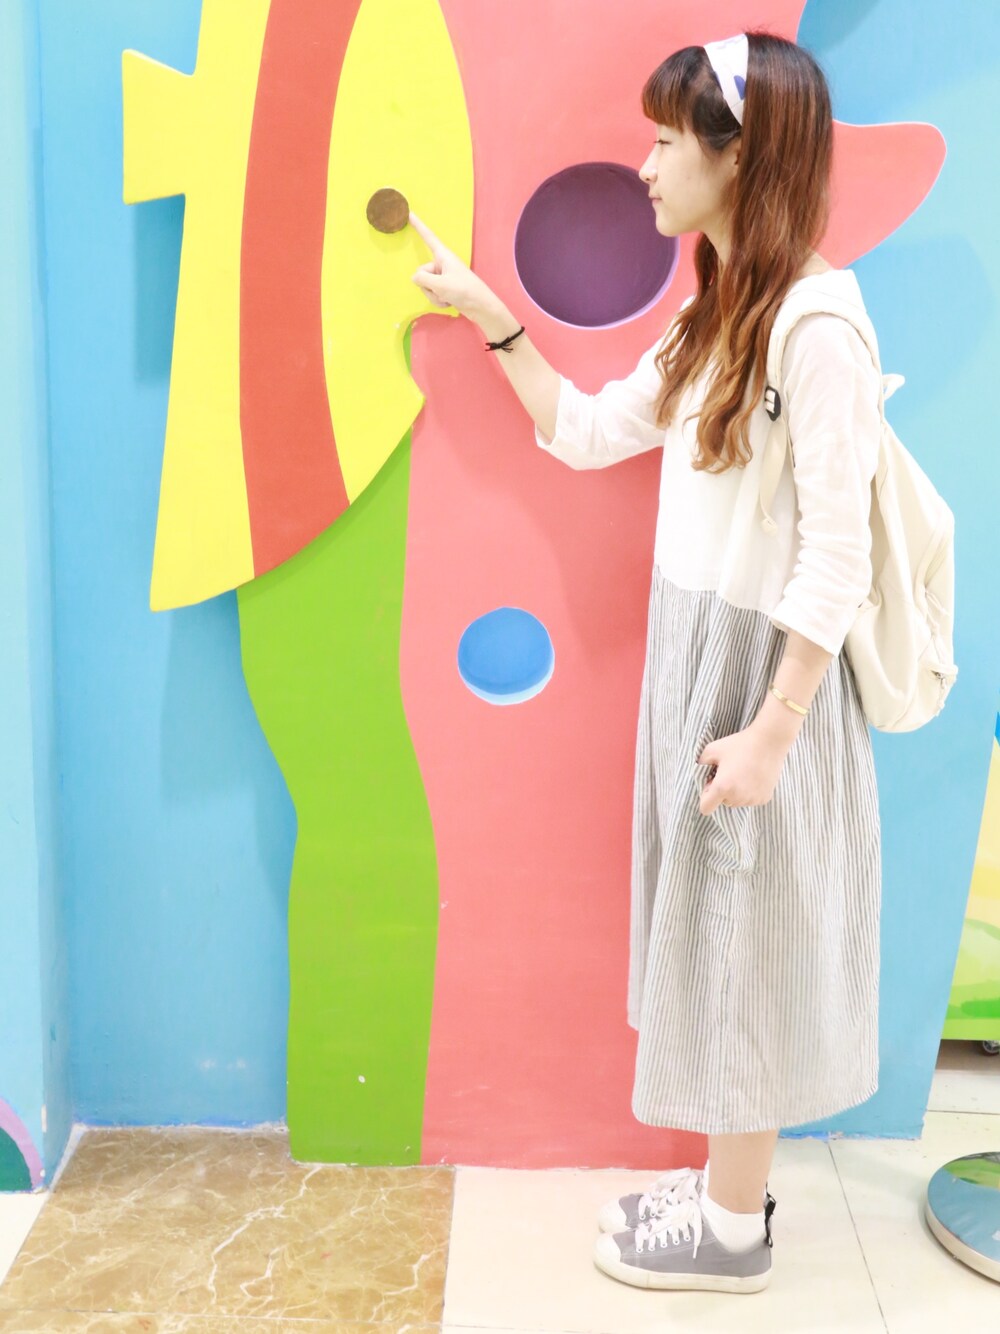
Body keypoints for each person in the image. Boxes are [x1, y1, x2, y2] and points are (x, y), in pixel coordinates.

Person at [409, 28, 882, 1296]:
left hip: (765, 679)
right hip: (700, 659)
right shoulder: (713, 314)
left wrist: (773, 728)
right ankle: (730, 1193)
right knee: (719, 936)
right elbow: (585, 432)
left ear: (742, 158)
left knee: (747, 946)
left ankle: (732, 1233)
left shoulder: (817, 329)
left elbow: (837, 556)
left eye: (670, 139)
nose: (646, 163)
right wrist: (490, 315)